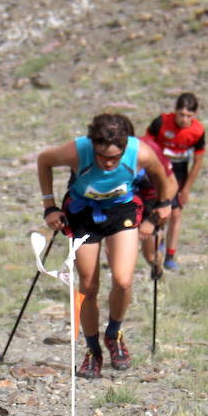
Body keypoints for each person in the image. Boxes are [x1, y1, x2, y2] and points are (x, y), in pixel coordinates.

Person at [37, 113, 175, 378]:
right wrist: (49, 206)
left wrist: (164, 203)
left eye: (115, 158)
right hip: (83, 213)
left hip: (122, 211)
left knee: (123, 281)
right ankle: (93, 351)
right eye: (103, 157)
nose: (109, 164)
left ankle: (114, 334)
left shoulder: (140, 152)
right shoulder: (77, 150)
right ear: (93, 146)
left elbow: (161, 175)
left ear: (124, 147)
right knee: (88, 286)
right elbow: (44, 160)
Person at [146, 93, 206, 272]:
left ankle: (170, 255)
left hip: (179, 171)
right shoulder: (161, 122)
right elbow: (146, 144)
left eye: (189, 116)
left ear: (195, 115)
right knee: (159, 210)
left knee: (176, 213)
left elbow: (198, 162)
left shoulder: (198, 131)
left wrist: (186, 189)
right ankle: (158, 243)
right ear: (175, 112)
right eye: (181, 114)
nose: (184, 119)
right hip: (159, 169)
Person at [136, 132, 176, 281]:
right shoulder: (104, 154)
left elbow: (172, 185)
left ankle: (157, 267)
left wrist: (155, 217)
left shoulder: (150, 150)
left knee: (150, 255)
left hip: (151, 203)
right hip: (125, 205)